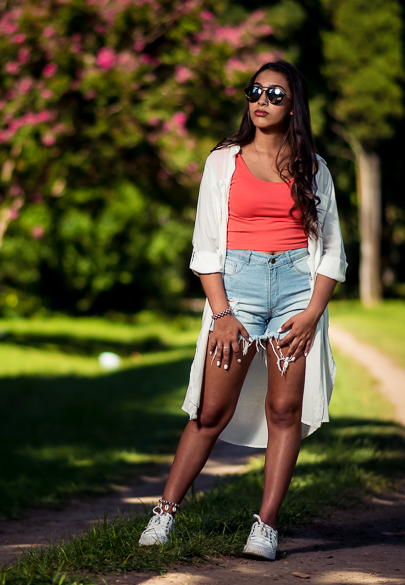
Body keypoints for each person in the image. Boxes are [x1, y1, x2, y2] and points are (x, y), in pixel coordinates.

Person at [137, 60, 347, 560]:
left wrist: (313, 313)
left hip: (297, 290)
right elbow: (205, 246)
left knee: (284, 410)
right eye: (255, 90)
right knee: (211, 411)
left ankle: (266, 527)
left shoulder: (314, 168)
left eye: (275, 94)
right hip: (238, 292)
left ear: (294, 104)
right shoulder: (223, 161)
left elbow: (332, 251)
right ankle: (163, 514)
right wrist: (223, 313)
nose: (262, 100)